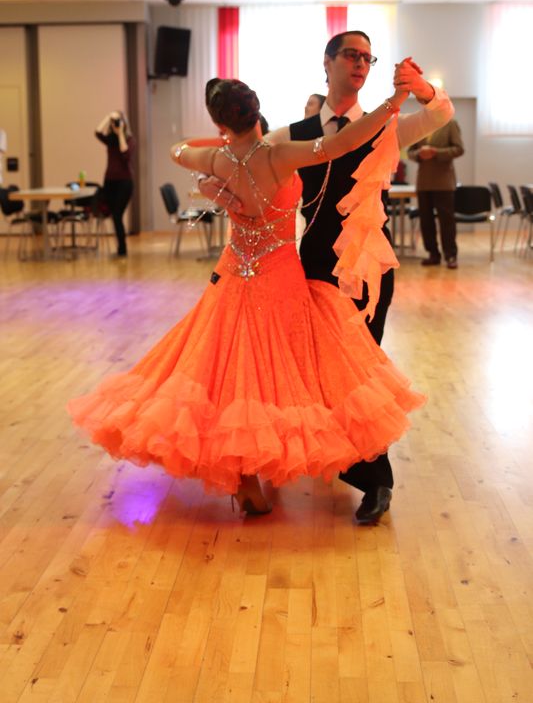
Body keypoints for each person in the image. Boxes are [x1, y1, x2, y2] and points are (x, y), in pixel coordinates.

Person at [68, 77, 425, 517]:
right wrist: (394, 101)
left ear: (222, 122)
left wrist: (215, 167)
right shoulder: (280, 154)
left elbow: (177, 150)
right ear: (257, 111)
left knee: (230, 370)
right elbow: (344, 142)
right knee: (285, 370)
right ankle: (270, 464)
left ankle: (246, 479)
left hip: (235, 272)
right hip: (279, 275)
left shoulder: (217, 159)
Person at [198, 31, 454, 523]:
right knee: (316, 371)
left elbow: (441, 113)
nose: (361, 63)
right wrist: (216, 181)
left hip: (367, 269)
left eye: (368, 58)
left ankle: (376, 480)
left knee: (361, 374)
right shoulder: (292, 134)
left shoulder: (387, 127)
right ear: (328, 62)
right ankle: (328, 459)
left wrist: (420, 88)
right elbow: (245, 160)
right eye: (352, 55)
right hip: (312, 267)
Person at [407, 119, 464, 269]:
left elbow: (459, 149)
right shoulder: (420, 124)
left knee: (446, 221)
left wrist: (436, 152)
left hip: (444, 182)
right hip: (424, 182)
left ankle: (450, 255)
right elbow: (410, 152)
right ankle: (433, 254)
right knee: (426, 220)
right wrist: (419, 154)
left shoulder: (450, 124)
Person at [95, 111, 135, 257]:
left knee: (117, 215)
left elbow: (125, 154)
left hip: (125, 183)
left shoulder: (129, 139)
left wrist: (120, 133)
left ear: (124, 123)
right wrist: (108, 117)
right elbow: (97, 132)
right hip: (109, 182)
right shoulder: (110, 140)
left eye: (118, 120)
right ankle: (120, 248)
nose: (115, 123)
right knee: (114, 215)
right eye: (114, 121)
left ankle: (122, 249)